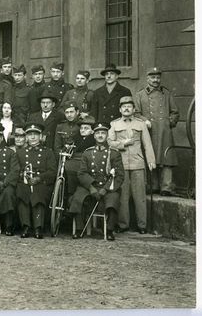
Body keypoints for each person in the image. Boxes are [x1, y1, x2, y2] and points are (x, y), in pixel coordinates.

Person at [108, 96, 156, 234]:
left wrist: (151, 161)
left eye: (129, 106)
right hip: (121, 164)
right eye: (124, 107)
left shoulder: (140, 124)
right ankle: (123, 225)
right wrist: (123, 144)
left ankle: (142, 225)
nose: (127, 108)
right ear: (120, 109)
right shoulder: (114, 124)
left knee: (139, 196)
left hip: (138, 163)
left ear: (134, 109)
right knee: (123, 196)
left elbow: (147, 144)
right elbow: (110, 142)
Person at [69, 122, 125, 241]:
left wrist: (106, 188)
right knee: (78, 198)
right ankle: (79, 228)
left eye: (103, 133)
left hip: (107, 186)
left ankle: (109, 230)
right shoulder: (87, 153)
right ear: (94, 136)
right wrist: (91, 188)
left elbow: (119, 175)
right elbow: (82, 173)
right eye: (98, 133)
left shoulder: (114, 153)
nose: (100, 135)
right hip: (90, 186)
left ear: (107, 135)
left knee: (113, 200)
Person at [133, 67, 180, 196]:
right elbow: (136, 113)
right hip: (149, 131)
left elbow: (175, 112)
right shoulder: (140, 94)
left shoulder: (166, 93)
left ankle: (166, 187)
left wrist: (168, 123)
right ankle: (153, 186)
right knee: (150, 155)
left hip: (164, 131)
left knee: (166, 158)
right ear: (147, 79)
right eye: (152, 77)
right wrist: (144, 121)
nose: (155, 80)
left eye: (158, 77)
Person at [15, 123, 57, 239]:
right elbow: (16, 170)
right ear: (26, 137)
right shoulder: (20, 152)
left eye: (35, 134)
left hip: (41, 182)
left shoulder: (47, 152)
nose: (33, 137)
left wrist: (39, 178)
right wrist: (24, 177)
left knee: (38, 193)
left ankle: (38, 227)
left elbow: (52, 171)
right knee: (22, 192)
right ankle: (26, 226)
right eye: (30, 135)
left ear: (41, 136)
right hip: (25, 181)